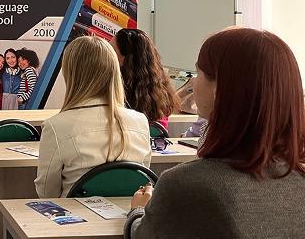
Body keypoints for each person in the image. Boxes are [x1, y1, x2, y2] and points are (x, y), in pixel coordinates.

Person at [125, 28, 305, 238]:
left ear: (219, 89)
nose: (194, 82)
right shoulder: (298, 180)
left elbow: (143, 235)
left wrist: (138, 211)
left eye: (198, 72)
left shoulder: (186, 185)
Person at [34, 36, 151, 197]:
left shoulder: (55, 126)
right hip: (129, 211)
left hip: (74, 213)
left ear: (71, 74)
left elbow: (47, 193)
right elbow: (143, 182)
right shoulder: (140, 121)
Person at [111, 29, 179, 129]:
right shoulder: (161, 92)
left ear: (127, 60)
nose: (107, 55)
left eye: (111, 51)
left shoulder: (117, 92)